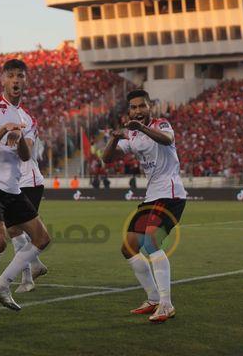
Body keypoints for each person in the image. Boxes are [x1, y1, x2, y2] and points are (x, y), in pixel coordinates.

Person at [0, 59, 50, 318]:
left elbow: (26, 156)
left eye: (21, 76)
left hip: (13, 189)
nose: (16, 80)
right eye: (11, 76)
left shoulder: (28, 119)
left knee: (42, 239)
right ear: (2, 80)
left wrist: (18, 142)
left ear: (25, 81)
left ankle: (2, 285)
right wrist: (5, 130)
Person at [102, 89, 186, 323]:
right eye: (134, 107)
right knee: (128, 248)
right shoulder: (133, 135)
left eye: (142, 106)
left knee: (150, 243)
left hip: (170, 194)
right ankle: (152, 299)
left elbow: (166, 140)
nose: (138, 110)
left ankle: (166, 304)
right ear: (129, 111)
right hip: (152, 196)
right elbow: (107, 159)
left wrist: (140, 128)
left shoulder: (162, 124)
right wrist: (115, 138)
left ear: (150, 107)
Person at [8, 133, 49, 294]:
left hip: (28, 182)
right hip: (14, 181)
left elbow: (28, 148)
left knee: (17, 229)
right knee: (13, 229)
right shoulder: (2, 116)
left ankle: (27, 279)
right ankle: (35, 267)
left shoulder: (24, 118)